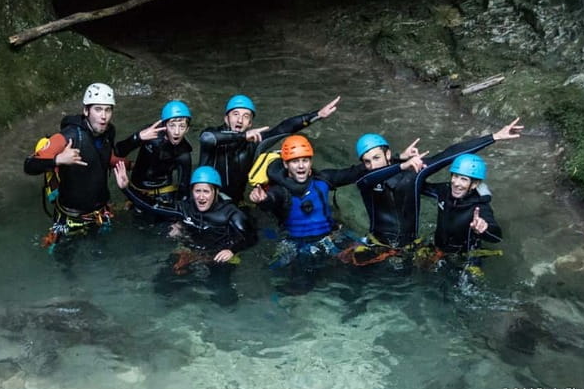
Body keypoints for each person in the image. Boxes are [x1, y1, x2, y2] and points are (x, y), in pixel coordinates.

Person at [248, 135, 424, 294]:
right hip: (299, 244)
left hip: (331, 236)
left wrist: (397, 159)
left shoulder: (324, 179)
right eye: (295, 161)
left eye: (305, 160)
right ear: (286, 165)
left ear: (311, 162)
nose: (301, 165)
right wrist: (262, 200)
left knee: (367, 267)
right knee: (302, 287)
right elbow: (271, 201)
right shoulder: (280, 190)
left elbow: (357, 171)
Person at [348, 118, 522, 270]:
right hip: (376, 245)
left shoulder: (413, 174)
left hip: (409, 249)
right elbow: (372, 176)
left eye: (377, 158)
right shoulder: (365, 180)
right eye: (367, 161)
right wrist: (400, 161)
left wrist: (494, 137)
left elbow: (448, 154)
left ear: (387, 154)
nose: (373, 165)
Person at [113, 162, 256, 305]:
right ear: (192, 192)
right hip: (189, 251)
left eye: (206, 191)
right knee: (162, 286)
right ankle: (188, 294)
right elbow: (152, 206)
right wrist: (126, 189)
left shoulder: (230, 213)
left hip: (219, 255)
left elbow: (251, 237)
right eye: (197, 191)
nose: (201, 197)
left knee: (223, 298)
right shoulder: (185, 209)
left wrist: (232, 250)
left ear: (215, 192)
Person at [24, 82, 121, 250]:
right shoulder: (69, 136)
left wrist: (132, 163)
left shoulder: (108, 132)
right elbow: (29, 165)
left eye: (108, 110)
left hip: (100, 212)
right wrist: (58, 160)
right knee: (65, 262)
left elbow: (106, 158)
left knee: (100, 252)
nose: (103, 116)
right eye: (98, 109)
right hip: (70, 217)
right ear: (86, 111)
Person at [199, 94, 340, 202]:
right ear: (226, 118)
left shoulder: (254, 143)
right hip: (203, 198)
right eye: (235, 114)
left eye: (245, 116)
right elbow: (206, 138)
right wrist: (243, 136)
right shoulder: (213, 135)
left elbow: (283, 128)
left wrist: (317, 115)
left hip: (234, 202)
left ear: (250, 123)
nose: (240, 120)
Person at [419, 154, 502, 278]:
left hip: (466, 256)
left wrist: (484, 228)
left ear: (474, 184)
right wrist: (421, 168)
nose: (456, 183)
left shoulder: (480, 207)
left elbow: (497, 237)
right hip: (439, 248)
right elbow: (418, 186)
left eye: (463, 179)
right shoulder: (444, 190)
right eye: (455, 176)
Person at [114, 100, 193, 216]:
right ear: (164, 126)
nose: (177, 132)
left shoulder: (184, 154)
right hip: (136, 188)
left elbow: (184, 189)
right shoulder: (150, 134)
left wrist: (179, 220)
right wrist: (138, 137)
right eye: (172, 125)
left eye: (182, 126)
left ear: (187, 129)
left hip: (162, 193)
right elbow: (118, 151)